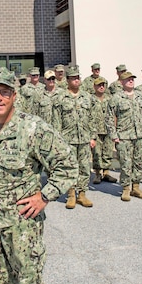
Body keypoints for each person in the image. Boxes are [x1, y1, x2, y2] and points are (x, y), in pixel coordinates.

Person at [0, 66, 77, 284]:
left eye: (4, 91)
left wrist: (45, 196)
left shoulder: (32, 128)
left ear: (14, 95)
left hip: (23, 224)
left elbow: (68, 164)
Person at [52, 65, 96, 209]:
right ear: (68, 80)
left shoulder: (87, 97)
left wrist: (93, 137)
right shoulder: (60, 97)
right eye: (73, 78)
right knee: (69, 168)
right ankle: (71, 195)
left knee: (84, 167)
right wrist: (58, 141)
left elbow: (91, 118)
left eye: (78, 77)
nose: (77, 80)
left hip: (84, 138)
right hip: (67, 139)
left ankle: (82, 194)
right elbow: (56, 120)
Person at [106, 71, 142, 201]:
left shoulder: (141, 96)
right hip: (124, 136)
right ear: (121, 82)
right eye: (128, 79)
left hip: (140, 136)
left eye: (132, 79)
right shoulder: (116, 98)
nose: (131, 81)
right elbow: (109, 118)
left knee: (140, 162)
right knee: (125, 163)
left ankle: (136, 187)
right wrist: (114, 135)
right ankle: (126, 188)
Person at [90, 77, 117, 184]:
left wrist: (114, 127)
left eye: (103, 85)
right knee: (96, 153)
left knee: (108, 152)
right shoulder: (90, 99)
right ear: (94, 86)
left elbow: (114, 113)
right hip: (95, 130)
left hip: (108, 129)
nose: (101, 87)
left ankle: (106, 172)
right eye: (99, 85)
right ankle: (97, 174)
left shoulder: (110, 98)